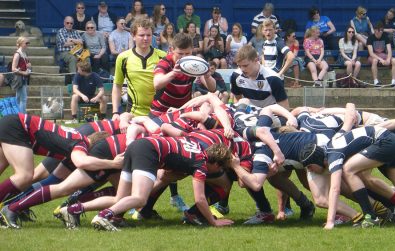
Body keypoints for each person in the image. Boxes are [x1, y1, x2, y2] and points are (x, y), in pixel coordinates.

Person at [90, 135, 234, 231]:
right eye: (220, 168)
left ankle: (75, 209)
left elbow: (173, 157)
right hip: (148, 151)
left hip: (139, 144)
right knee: (140, 198)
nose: (218, 171)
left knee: (120, 198)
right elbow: (200, 199)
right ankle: (104, 215)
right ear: (216, 164)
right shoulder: (200, 165)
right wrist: (213, 222)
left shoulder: (196, 146)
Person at [0, 133, 125, 229]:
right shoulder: (83, 143)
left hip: (91, 150)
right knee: (40, 178)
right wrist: (112, 163)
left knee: (58, 184)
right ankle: (12, 207)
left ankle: (70, 208)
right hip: (85, 151)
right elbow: (81, 161)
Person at [150, 32, 216, 118]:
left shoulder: (193, 62)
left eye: (187, 53)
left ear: (192, 50)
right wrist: (174, 73)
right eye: (180, 54)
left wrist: (207, 76)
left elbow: (212, 88)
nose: (184, 57)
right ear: (171, 49)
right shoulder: (165, 62)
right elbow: (157, 84)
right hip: (160, 112)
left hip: (181, 111)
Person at [111, 18, 166, 119]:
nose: (145, 38)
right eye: (141, 35)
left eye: (148, 35)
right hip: (133, 114)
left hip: (160, 114)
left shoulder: (163, 57)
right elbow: (117, 86)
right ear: (133, 36)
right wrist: (115, 112)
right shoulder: (123, 58)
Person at [231, 44, 289, 109]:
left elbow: (284, 107)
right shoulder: (236, 76)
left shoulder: (273, 78)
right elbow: (237, 100)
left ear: (256, 60)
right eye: (239, 66)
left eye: (245, 65)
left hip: (271, 114)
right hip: (249, 114)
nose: (242, 69)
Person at [367, 21, 395, 87]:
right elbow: (371, 53)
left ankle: (393, 82)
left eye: (381, 30)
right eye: (379, 30)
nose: (380, 32)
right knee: (375, 60)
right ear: (375, 30)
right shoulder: (370, 38)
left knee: (394, 61)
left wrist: (388, 59)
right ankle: (376, 82)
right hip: (373, 56)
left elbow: (389, 51)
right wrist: (381, 59)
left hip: (383, 56)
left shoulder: (385, 37)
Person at [11, 36, 31, 113]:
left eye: (28, 43)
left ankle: (17, 114)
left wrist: (29, 66)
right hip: (19, 79)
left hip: (23, 79)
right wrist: (24, 72)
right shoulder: (17, 54)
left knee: (19, 98)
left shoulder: (24, 53)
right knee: (23, 98)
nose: (27, 44)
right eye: (26, 43)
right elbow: (13, 69)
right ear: (21, 43)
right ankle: (22, 116)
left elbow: (26, 65)